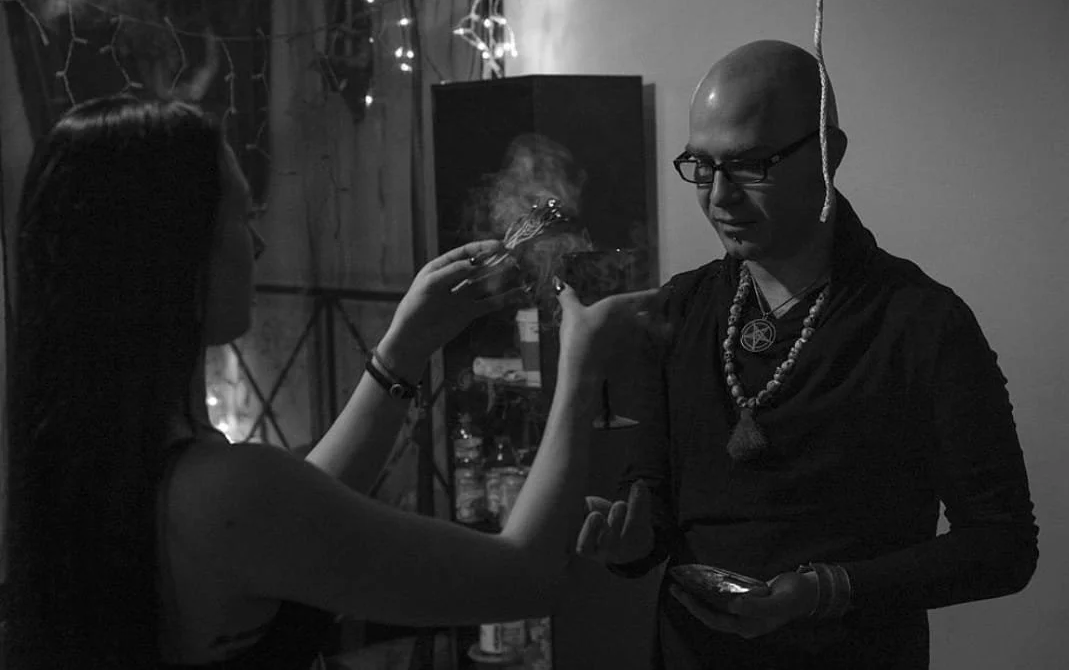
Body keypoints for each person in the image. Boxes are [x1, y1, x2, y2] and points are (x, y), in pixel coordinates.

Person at [1, 95, 657, 670]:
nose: (256, 243)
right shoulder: (229, 493)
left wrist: (405, 345)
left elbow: (302, 511)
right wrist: (581, 364)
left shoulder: (94, 461)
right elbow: (525, 575)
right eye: (239, 214)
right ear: (173, 251)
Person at [575, 40, 1038, 669]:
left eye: (748, 165)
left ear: (829, 152)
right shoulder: (687, 307)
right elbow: (653, 492)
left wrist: (823, 592)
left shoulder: (920, 322)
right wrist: (630, 541)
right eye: (700, 166)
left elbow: (1003, 546)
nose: (718, 197)